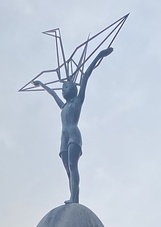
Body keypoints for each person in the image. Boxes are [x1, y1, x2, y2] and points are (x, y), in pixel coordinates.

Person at [34, 47, 113, 204]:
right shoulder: (63, 106)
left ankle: (73, 198)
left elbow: (86, 75)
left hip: (74, 135)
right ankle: (74, 197)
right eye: (62, 87)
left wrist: (100, 55)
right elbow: (52, 94)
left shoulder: (78, 100)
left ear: (74, 89)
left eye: (66, 86)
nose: (63, 89)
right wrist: (42, 84)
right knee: (68, 170)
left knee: (72, 165)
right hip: (63, 138)